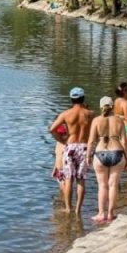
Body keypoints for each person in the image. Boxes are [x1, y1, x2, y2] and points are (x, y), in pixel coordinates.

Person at [48, 87, 94, 215]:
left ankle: (68, 208)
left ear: (71, 99)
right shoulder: (90, 114)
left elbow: (52, 129)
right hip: (84, 147)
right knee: (81, 180)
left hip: (71, 146)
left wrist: (62, 141)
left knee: (68, 179)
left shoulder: (65, 114)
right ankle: (78, 210)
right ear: (83, 98)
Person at [87, 96, 127, 223]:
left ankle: (101, 214)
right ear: (113, 107)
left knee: (102, 186)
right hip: (117, 152)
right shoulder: (119, 121)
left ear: (101, 107)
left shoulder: (96, 120)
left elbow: (91, 141)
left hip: (100, 153)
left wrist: (88, 156)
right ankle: (111, 214)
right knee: (113, 185)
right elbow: (124, 141)